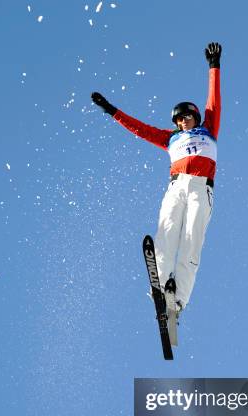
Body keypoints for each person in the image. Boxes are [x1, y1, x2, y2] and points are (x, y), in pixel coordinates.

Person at [91, 42, 222, 315]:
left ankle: (178, 301)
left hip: (201, 188)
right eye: (178, 120)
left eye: (186, 117)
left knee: (191, 240)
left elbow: (214, 103)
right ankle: (160, 289)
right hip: (177, 186)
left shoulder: (208, 129)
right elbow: (139, 128)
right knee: (166, 233)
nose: (182, 122)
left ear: (195, 117)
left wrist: (214, 67)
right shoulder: (170, 138)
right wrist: (112, 110)